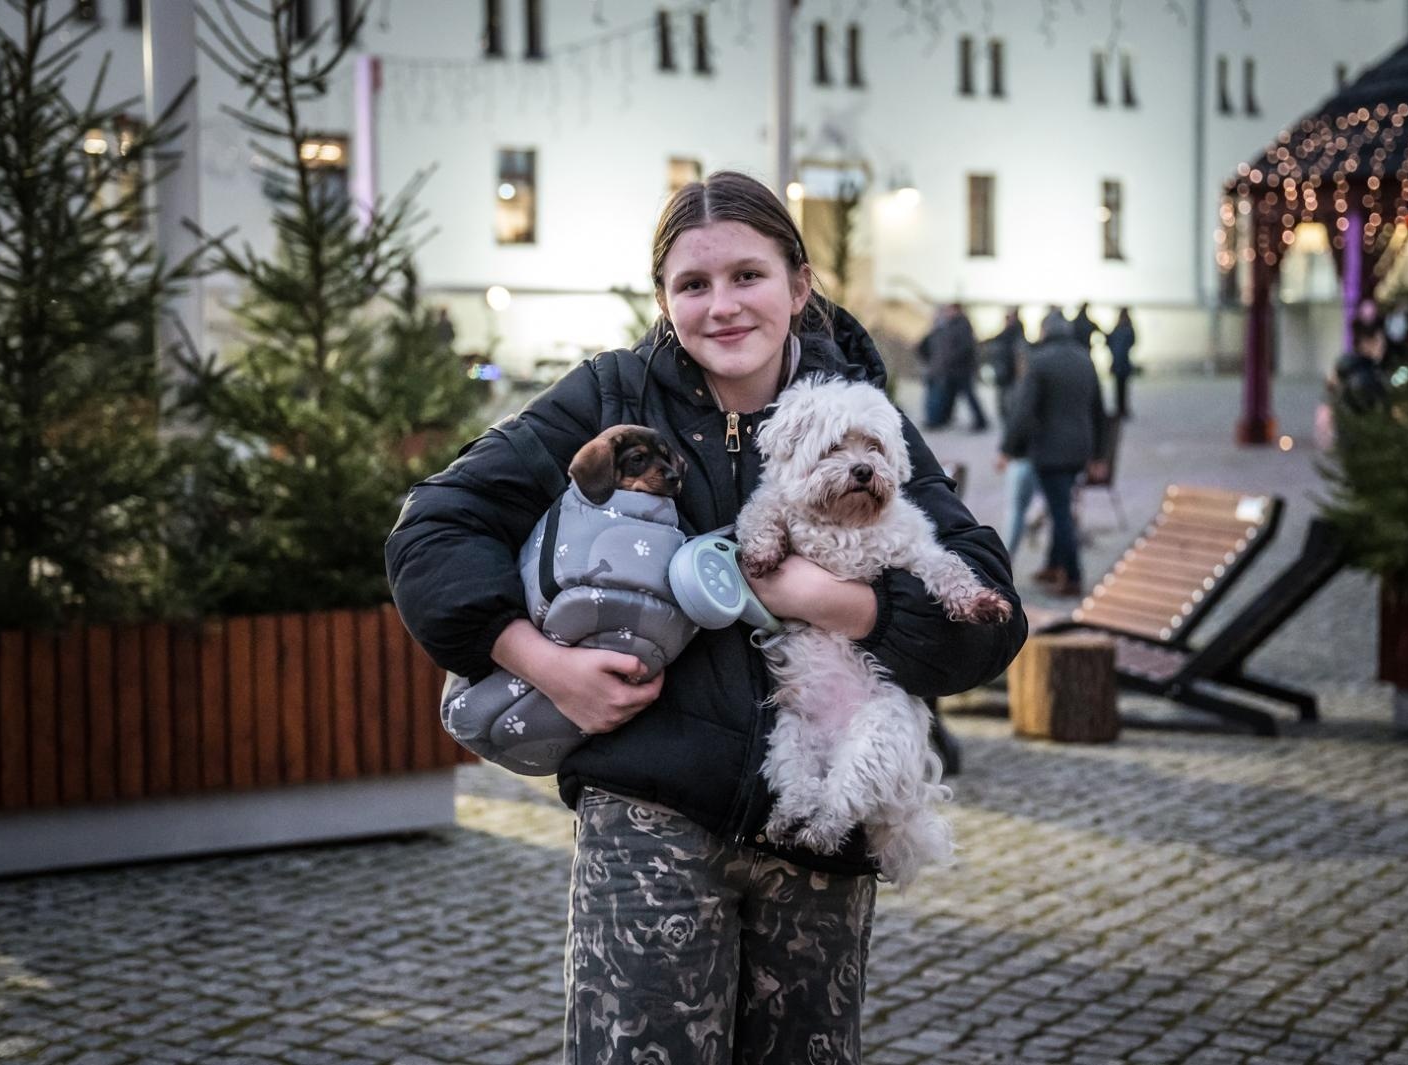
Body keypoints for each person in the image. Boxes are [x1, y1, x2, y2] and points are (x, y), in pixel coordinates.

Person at [387, 170, 1027, 1065]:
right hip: (648, 816)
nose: (722, 306)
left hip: (823, 833)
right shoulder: (612, 398)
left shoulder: (860, 420)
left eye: (748, 276)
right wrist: (543, 661)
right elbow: (433, 528)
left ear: (799, 285)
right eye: (693, 283)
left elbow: (988, 621)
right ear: (663, 298)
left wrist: (825, 599)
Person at [997, 308, 1107, 599]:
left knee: (1060, 513)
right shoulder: (1086, 359)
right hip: (1079, 449)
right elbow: (1099, 410)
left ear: (1045, 332)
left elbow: (1022, 412)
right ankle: (1053, 563)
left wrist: (1008, 449)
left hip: (1049, 450)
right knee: (1060, 505)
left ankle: (1072, 575)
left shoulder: (1039, 362)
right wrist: (1098, 456)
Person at [916, 302, 988, 430]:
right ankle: (940, 420)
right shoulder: (948, 326)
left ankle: (981, 421)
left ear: (957, 310)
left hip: (961, 369)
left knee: (968, 396)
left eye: (950, 310)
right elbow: (927, 346)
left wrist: (950, 360)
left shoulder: (962, 325)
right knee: (948, 397)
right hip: (950, 369)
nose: (947, 313)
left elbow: (965, 347)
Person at [983, 305, 1029, 428]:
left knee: (1009, 403)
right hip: (1005, 373)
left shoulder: (1014, 334)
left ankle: (1011, 425)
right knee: (1005, 403)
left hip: (1009, 373)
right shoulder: (1010, 334)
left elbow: (1020, 356)